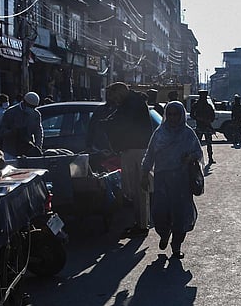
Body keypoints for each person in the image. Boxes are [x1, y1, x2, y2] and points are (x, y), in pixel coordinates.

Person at [88, 82, 153, 237]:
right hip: (131, 149)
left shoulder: (133, 103)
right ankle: (139, 222)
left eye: (114, 95)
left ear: (120, 92)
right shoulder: (127, 102)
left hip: (137, 150)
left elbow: (122, 122)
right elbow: (118, 118)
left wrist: (107, 124)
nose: (113, 99)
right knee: (133, 189)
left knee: (140, 190)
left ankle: (142, 225)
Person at [139, 101, 202, 259]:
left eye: (176, 114)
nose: (173, 118)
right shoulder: (159, 133)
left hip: (181, 181)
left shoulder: (188, 133)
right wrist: (144, 174)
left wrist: (189, 157)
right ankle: (164, 234)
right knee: (160, 212)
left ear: (181, 115)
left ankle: (176, 246)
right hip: (162, 180)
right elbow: (150, 154)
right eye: (170, 114)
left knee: (180, 214)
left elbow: (198, 152)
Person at [0, 91, 44, 160]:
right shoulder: (10, 112)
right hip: (11, 151)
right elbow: (1, 132)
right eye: (30, 106)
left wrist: (37, 147)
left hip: (27, 151)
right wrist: (12, 132)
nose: (32, 109)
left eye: (34, 107)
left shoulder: (36, 115)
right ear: (24, 102)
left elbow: (38, 132)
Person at [190, 90, 216, 164]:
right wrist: (199, 118)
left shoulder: (208, 106)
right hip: (199, 126)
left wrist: (208, 121)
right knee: (197, 144)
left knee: (209, 144)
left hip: (207, 127)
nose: (203, 98)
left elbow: (212, 117)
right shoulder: (196, 105)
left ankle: (210, 158)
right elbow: (192, 115)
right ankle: (196, 159)